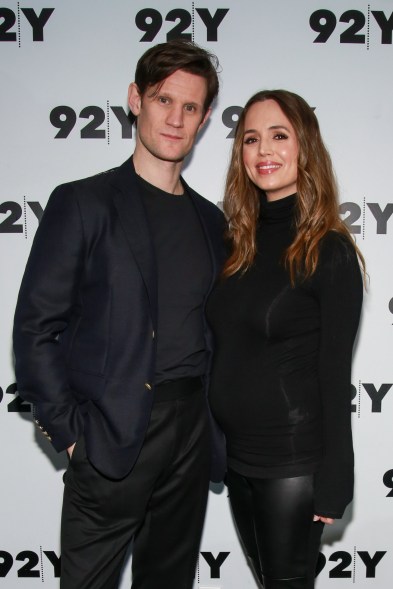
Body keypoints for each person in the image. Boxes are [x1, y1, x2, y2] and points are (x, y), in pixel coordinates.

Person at [13, 39, 226, 589]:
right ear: (136, 99)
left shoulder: (213, 223)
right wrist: (70, 433)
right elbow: (36, 327)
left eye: (191, 107)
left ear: (204, 119)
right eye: (162, 100)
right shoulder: (83, 202)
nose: (175, 119)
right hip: (109, 430)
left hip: (190, 430)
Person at [206, 89, 365, 589]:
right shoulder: (236, 245)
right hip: (238, 457)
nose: (263, 150)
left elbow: (335, 375)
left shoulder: (329, 250)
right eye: (251, 139)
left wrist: (336, 478)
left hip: (292, 461)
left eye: (279, 135)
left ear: (305, 148)